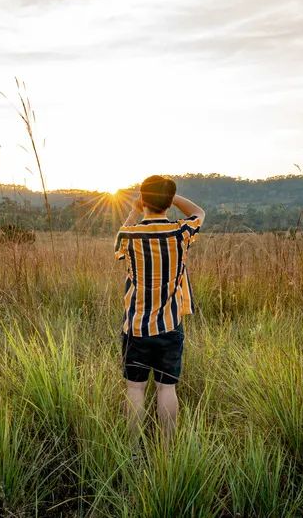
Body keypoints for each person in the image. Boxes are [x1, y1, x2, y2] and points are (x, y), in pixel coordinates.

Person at [113, 175, 205, 444]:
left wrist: (134, 209)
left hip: (136, 326)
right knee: (167, 388)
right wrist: (170, 197)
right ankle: (166, 449)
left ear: (143, 199)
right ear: (168, 202)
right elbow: (199, 212)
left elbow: (118, 249)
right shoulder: (180, 233)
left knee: (135, 388)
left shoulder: (128, 235)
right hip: (169, 325)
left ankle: (132, 449)